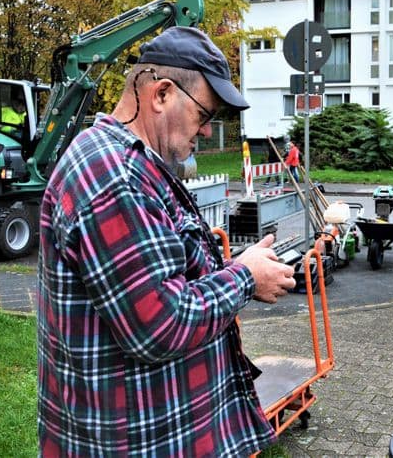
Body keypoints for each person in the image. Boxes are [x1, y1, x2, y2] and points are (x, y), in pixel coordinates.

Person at [37, 26, 296, 457]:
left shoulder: (133, 165)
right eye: (205, 115)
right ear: (161, 94)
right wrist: (245, 278)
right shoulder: (115, 178)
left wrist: (238, 269)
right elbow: (159, 326)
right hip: (132, 442)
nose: (208, 132)